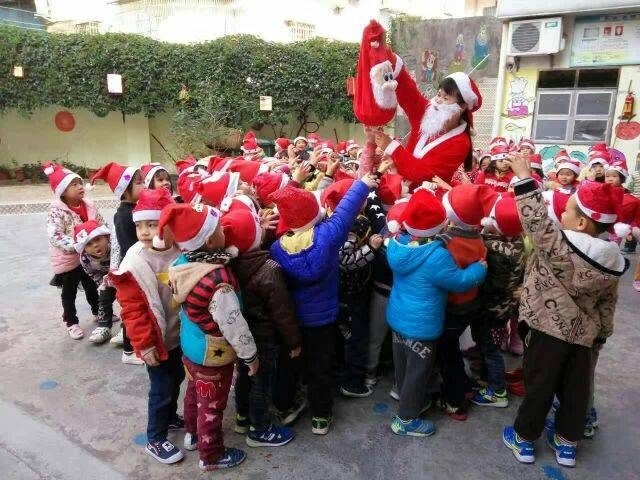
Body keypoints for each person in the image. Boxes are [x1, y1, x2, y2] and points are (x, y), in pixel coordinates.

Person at [503, 154, 627, 468]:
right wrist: (601, 334)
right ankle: (567, 445)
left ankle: (524, 440)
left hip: (546, 332)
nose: (561, 213)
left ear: (582, 222)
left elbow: (535, 220)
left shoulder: (557, 246)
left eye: (568, 210)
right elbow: (608, 302)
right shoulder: (611, 262)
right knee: (575, 392)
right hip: (584, 337)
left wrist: (523, 178)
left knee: (539, 388)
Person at [269, 174, 379, 435]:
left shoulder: (276, 249)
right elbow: (345, 211)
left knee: (291, 365)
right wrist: (363, 183)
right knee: (322, 368)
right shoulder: (327, 237)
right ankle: (320, 417)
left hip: (294, 320)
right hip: (323, 320)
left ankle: (285, 406)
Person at [163, 203, 259, 470]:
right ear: (209, 240)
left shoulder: (183, 263)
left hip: (190, 347)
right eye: (219, 229)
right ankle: (212, 455)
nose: (224, 230)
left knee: (194, 392)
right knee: (212, 406)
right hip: (212, 354)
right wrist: (250, 356)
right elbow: (233, 325)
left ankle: (192, 435)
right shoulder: (218, 281)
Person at [386, 189, 487, 437]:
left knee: (403, 366)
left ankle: (409, 398)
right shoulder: (437, 256)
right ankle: (406, 419)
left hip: (398, 318)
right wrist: (478, 270)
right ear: (441, 226)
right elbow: (459, 281)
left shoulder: (397, 244)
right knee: (418, 373)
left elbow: (422, 247)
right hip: (422, 326)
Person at [109, 188, 186, 465]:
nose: (143, 232)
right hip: (155, 339)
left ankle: (170, 417)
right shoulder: (135, 262)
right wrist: (145, 344)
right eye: (139, 225)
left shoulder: (181, 249)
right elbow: (132, 310)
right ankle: (155, 438)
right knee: (161, 389)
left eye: (152, 224)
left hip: (179, 334)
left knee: (177, 378)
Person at [224, 208, 302, 447]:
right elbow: (282, 312)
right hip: (265, 338)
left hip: (242, 337)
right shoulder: (270, 269)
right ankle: (260, 429)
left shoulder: (228, 264)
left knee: (244, 376)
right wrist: (294, 342)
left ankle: (242, 417)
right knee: (262, 383)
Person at [436, 184, 492, 420]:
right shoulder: (479, 238)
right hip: (471, 303)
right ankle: (465, 384)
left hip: (451, 305)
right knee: (453, 349)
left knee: (447, 353)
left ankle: (455, 401)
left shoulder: (446, 241)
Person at [471, 194, 525, 407]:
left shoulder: (494, 249)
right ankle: (485, 378)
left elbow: (493, 284)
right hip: (504, 308)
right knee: (488, 345)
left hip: (491, 310)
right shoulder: (518, 241)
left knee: (491, 349)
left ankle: (498, 391)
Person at [91, 162, 145, 364]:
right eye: (139, 182)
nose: (144, 185)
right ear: (124, 190)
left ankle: (128, 340)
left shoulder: (132, 209)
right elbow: (129, 246)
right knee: (134, 312)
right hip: (132, 271)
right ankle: (129, 352)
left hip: (135, 268)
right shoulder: (124, 215)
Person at [44, 162, 103, 340]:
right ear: (62, 191)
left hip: (88, 257)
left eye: (80, 183)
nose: (80, 187)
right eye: (74, 185)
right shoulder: (57, 211)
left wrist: (104, 240)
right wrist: (78, 245)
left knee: (92, 285)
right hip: (68, 259)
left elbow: (100, 225)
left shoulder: (89, 206)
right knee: (69, 292)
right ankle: (71, 322)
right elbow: (55, 235)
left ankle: (98, 312)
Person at [74, 220, 116, 344]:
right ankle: (104, 326)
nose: (95, 245)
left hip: (123, 275)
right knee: (103, 298)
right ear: (84, 248)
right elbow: (92, 273)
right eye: (89, 244)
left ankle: (127, 326)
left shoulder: (115, 247)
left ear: (107, 237)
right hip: (105, 279)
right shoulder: (85, 258)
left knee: (127, 300)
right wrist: (102, 284)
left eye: (98, 239)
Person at [542, 157, 581, 224]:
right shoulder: (552, 188)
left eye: (568, 175)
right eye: (561, 174)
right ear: (557, 175)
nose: (564, 177)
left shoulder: (578, 189)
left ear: (575, 176)